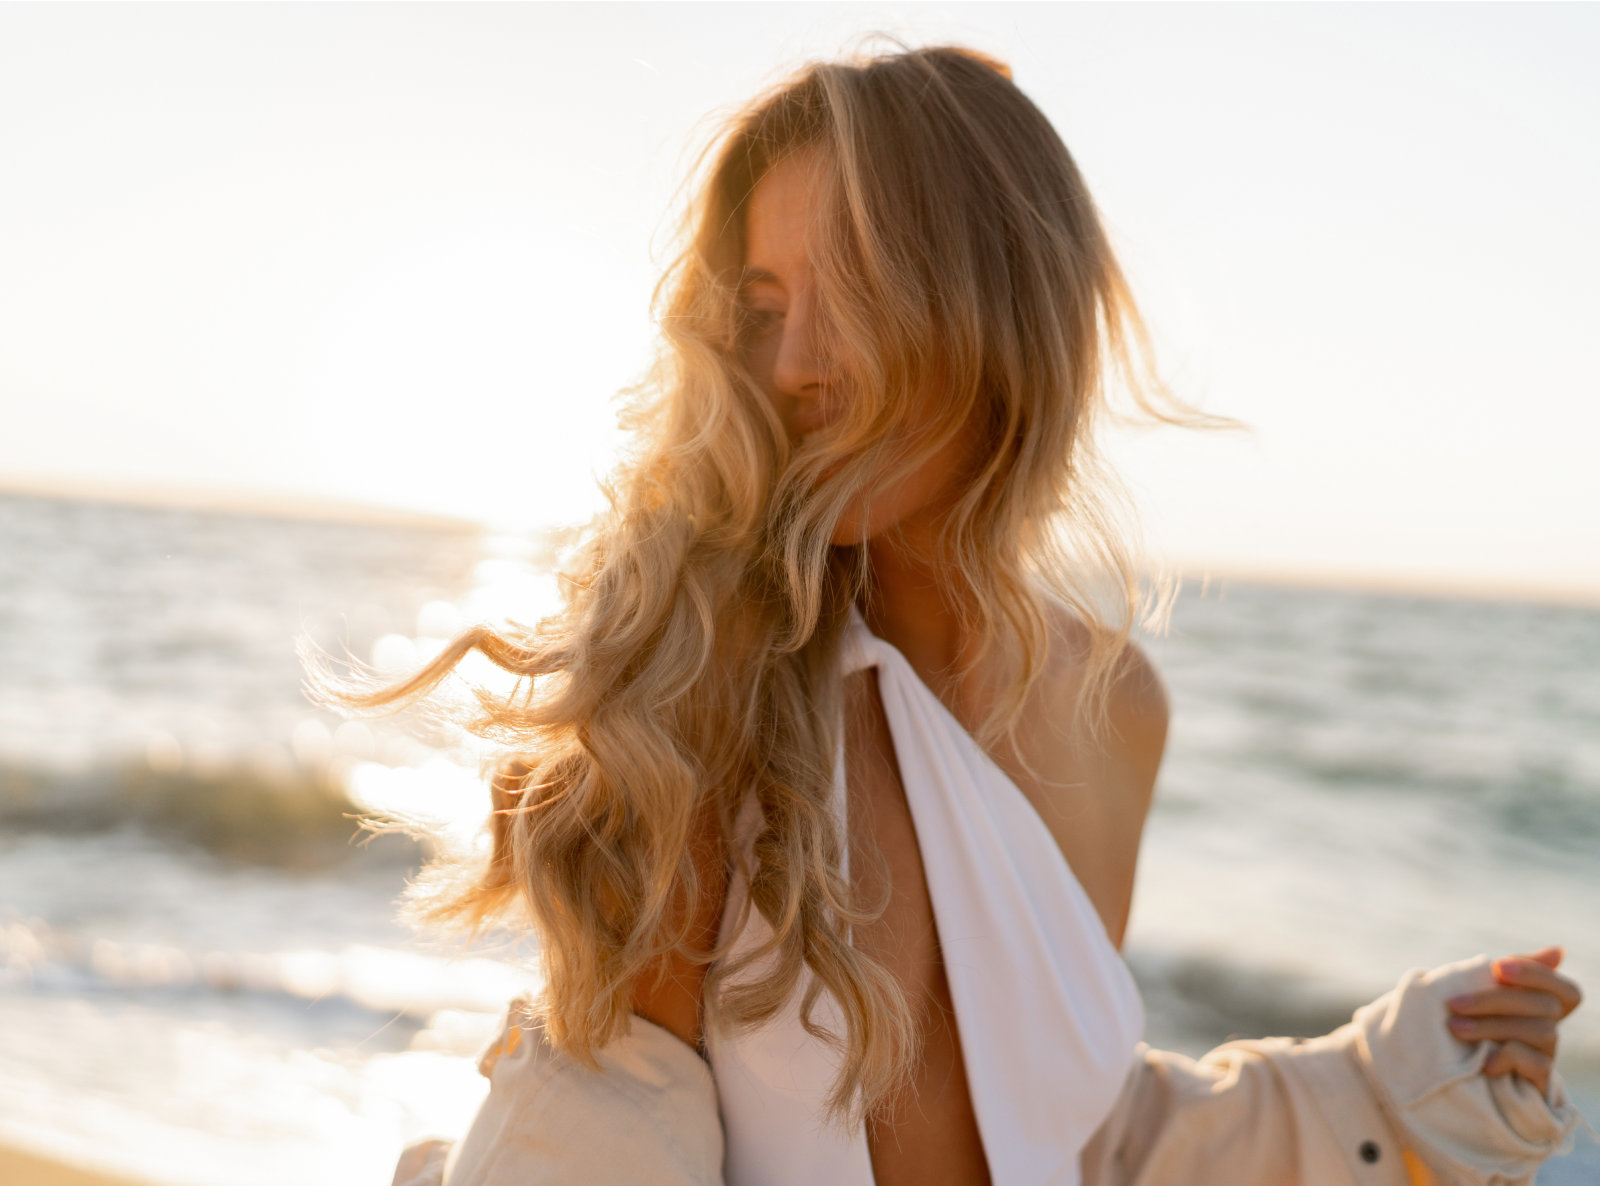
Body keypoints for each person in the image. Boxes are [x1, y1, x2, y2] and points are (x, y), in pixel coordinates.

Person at [316, 41, 1588, 1186]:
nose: (797, 362)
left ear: (999, 312)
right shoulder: (702, 694)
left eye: (857, 290)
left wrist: (1383, 1089)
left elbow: (1069, 1133)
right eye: (764, 308)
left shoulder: (1113, 709)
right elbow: (606, 1123)